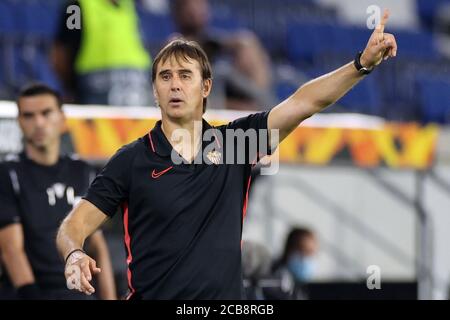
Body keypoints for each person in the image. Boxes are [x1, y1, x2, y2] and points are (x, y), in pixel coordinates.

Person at [57, 9, 397, 299]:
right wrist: (74, 253)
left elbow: (304, 102)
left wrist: (361, 64)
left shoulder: (235, 144)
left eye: (185, 76)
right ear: (155, 91)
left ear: (206, 87)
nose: (175, 84)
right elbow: (75, 224)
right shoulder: (131, 160)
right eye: (165, 77)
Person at [0, 84, 117, 300]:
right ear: (19, 122)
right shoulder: (8, 173)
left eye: (46, 113)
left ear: (62, 118)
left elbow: (97, 244)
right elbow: (10, 249)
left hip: (79, 291)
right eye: (28, 115)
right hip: (32, 292)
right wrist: (31, 294)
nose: (38, 123)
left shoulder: (82, 170)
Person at [170, 0, 275, 111]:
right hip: (205, 106)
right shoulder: (174, 45)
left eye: (201, 4)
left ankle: (263, 104)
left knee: (247, 43)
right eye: (191, 5)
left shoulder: (218, 43)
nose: (198, 9)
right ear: (178, 11)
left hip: (238, 99)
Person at [51, 0, 152, 106]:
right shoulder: (75, 9)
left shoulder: (132, 7)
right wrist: (69, 89)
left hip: (137, 94)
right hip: (94, 97)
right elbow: (61, 53)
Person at [269, 227, 319, 300]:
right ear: (289, 250)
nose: (306, 258)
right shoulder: (274, 281)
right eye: (302, 251)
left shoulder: (298, 285)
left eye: (310, 253)